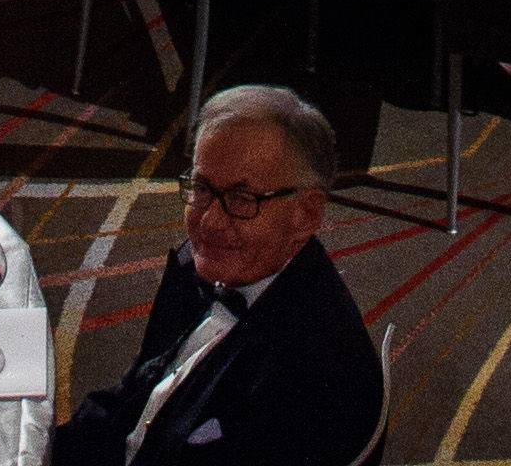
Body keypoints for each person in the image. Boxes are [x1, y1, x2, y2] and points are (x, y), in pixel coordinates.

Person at [47, 85, 380, 466]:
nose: (210, 221)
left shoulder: (313, 380)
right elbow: (135, 395)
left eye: (242, 199)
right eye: (202, 188)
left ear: (306, 214)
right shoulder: (202, 263)